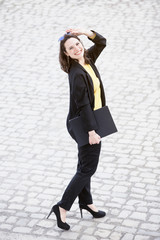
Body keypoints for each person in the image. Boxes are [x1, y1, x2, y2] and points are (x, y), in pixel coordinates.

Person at [47, 28, 107, 230]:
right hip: (84, 124)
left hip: (93, 119)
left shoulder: (87, 59)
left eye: (78, 44)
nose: (76, 49)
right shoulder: (77, 74)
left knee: (84, 165)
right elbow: (82, 104)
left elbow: (101, 42)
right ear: (65, 53)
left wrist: (83, 32)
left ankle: (86, 203)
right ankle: (62, 207)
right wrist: (91, 131)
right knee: (88, 168)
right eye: (70, 48)